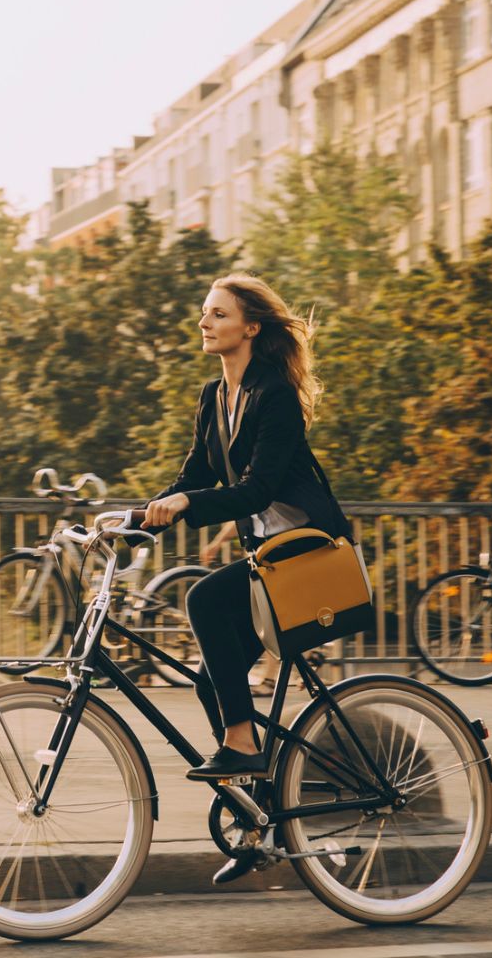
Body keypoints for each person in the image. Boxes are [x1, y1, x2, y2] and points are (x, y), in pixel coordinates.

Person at [138, 273, 351, 883]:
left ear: (250, 327)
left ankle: (245, 750)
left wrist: (187, 507)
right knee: (212, 680)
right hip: (271, 558)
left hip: (309, 552)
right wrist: (135, 518)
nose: (204, 322)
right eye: (204, 313)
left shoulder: (274, 395)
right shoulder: (214, 396)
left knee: (205, 598)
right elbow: (193, 478)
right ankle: (256, 817)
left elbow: (255, 489)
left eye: (218, 314)